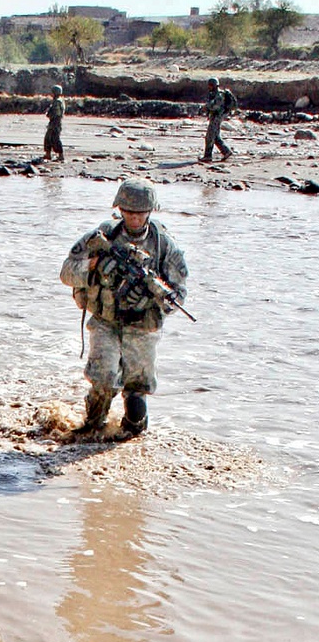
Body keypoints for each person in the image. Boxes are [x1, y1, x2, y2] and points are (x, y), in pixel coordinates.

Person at [60, 177, 188, 436]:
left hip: (142, 326)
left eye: (140, 213)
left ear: (150, 211)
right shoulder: (105, 235)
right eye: (127, 211)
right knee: (103, 380)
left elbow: (178, 294)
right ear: (119, 209)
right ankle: (91, 431)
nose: (133, 218)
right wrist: (94, 266)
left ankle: (131, 430)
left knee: (137, 392)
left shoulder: (164, 246)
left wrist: (153, 295)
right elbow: (66, 272)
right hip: (106, 320)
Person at [200, 76, 237, 162]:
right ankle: (226, 151)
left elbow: (216, 106)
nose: (209, 87)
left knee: (210, 136)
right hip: (215, 117)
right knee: (215, 137)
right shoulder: (213, 94)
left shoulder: (219, 95)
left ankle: (208, 156)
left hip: (217, 117)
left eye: (210, 85)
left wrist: (206, 107)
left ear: (215, 85)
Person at [43, 84, 65, 161]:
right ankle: (48, 154)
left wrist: (49, 114)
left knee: (55, 139)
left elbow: (57, 114)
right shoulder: (59, 100)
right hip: (55, 122)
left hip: (55, 122)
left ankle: (60, 155)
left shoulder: (57, 102)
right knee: (48, 138)